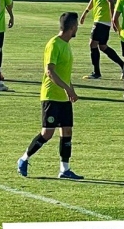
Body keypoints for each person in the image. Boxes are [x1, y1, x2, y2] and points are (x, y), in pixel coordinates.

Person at [17, 12, 84, 180]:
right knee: (47, 133)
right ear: (72, 27)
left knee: (67, 131)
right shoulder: (54, 44)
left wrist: (71, 90)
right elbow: (50, 71)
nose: (77, 28)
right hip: (51, 96)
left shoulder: (66, 45)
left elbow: (64, 73)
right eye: (77, 26)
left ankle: (64, 169)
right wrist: (67, 89)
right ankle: (24, 159)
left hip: (64, 97)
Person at [80, 0, 124, 80]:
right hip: (99, 19)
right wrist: (85, 12)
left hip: (102, 20)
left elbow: (111, 2)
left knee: (92, 44)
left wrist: (113, 19)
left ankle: (97, 73)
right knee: (103, 46)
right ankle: (123, 66)